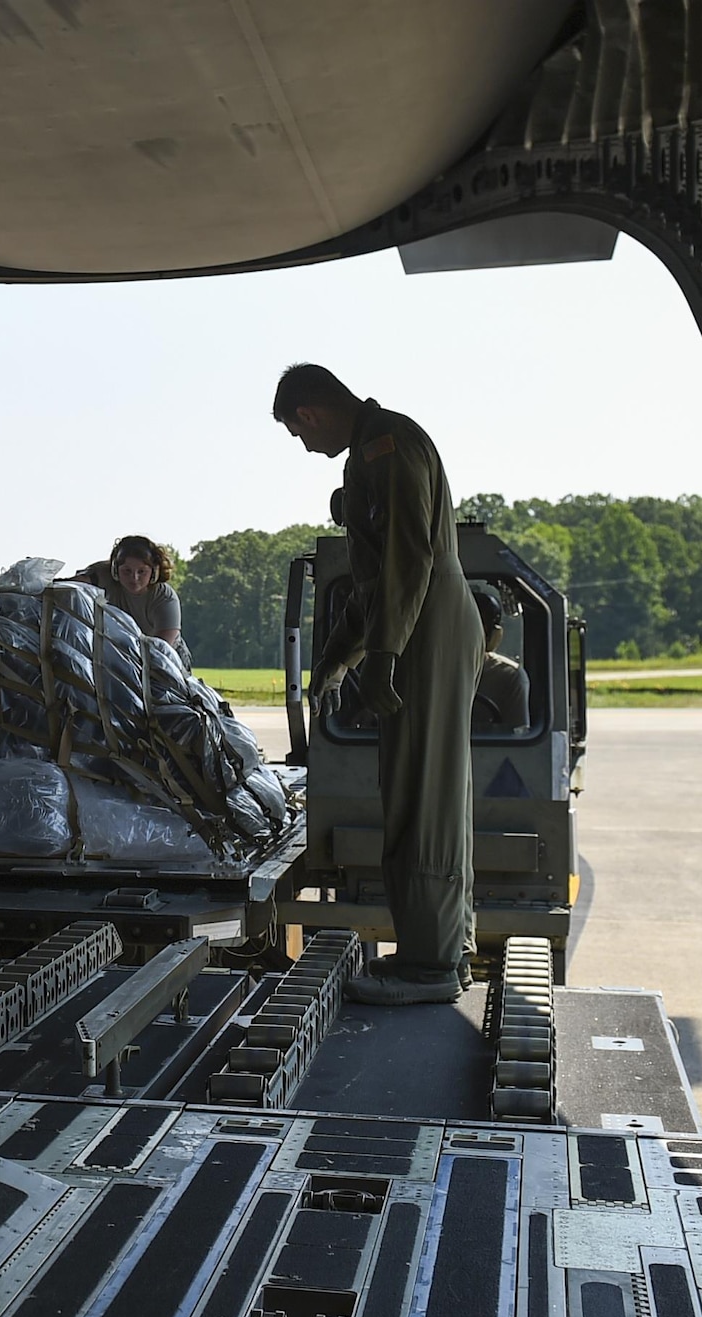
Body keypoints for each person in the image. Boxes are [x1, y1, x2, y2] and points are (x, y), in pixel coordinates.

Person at [275, 363, 483, 1006]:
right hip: (419, 623)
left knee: (422, 796)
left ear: (310, 413)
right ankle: (446, 947)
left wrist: (385, 654)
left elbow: (406, 558)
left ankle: (430, 965)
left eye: (296, 434)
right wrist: (336, 658)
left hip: (424, 628)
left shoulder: (385, 445)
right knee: (425, 791)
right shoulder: (371, 449)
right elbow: (374, 578)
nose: (304, 447)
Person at [75, 535, 192, 666]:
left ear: (154, 572)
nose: (134, 578)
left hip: (169, 658)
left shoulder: (164, 597)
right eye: (127, 571)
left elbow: (161, 648)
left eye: (141, 571)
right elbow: (73, 584)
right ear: (115, 570)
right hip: (123, 652)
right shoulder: (103, 575)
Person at [473, 590, 530, 733]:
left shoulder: (509, 676)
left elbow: (517, 733)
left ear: (493, 633)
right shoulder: (428, 671)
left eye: (480, 625)